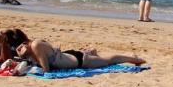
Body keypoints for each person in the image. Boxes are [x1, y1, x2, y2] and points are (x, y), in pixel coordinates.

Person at [15, 37, 145, 71]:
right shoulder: (35, 45)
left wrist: (26, 56)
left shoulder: (36, 46)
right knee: (100, 59)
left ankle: (133, 58)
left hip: (80, 61)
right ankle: (92, 52)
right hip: (70, 56)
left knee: (109, 61)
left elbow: (46, 69)